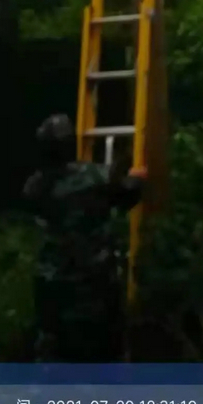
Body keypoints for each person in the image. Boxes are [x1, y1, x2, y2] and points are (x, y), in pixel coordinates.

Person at [23, 114, 146, 362]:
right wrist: (138, 177)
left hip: (52, 282)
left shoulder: (34, 187)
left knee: (53, 347)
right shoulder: (94, 176)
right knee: (103, 348)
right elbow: (126, 194)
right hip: (92, 281)